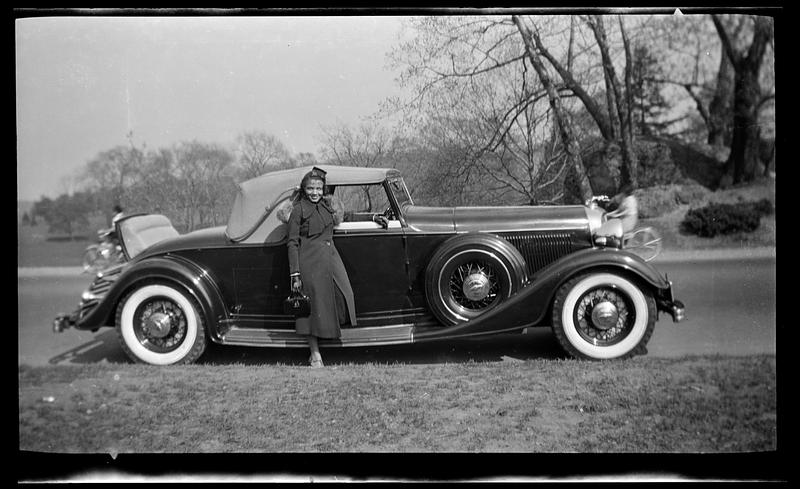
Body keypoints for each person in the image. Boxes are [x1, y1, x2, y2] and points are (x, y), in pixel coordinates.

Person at [286, 167, 357, 367]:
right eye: (310, 189)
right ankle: (315, 353)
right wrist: (295, 273)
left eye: (318, 188)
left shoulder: (327, 206)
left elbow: (343, 218)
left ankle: (332, 337)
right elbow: (292, 242)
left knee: (345, 295)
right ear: (304, 189)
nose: (315, 192)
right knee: (310, 308)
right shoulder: (298, 210)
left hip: (330, 258)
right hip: (308, 262)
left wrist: (373, 217)